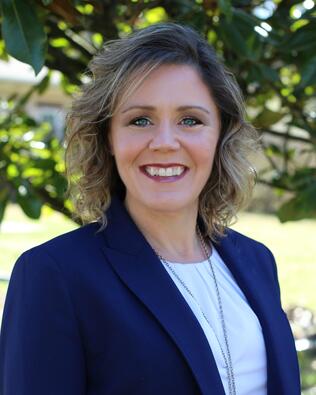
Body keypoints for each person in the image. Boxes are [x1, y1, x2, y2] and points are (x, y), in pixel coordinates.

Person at [0, 22, 300, 395]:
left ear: (220, 134)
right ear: (108, 137)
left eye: (190, 120)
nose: (165, 142)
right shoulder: (54, 274)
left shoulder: (257, 260)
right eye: (139, 120)